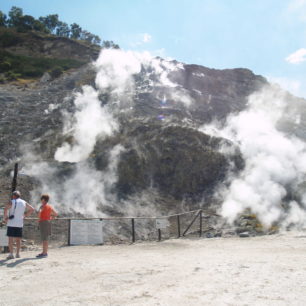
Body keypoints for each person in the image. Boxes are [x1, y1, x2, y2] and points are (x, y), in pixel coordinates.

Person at [4, 190, 34, 259]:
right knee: (18, 240)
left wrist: (5, 218)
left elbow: (5, 209)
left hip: (11, 223)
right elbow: (32, 209)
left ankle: (11, 254)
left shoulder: (12, 201)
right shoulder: (24, 202)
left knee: (10, 240)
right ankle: (18, 254)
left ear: (14, 196)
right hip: (19, 223)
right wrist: (25, 215)